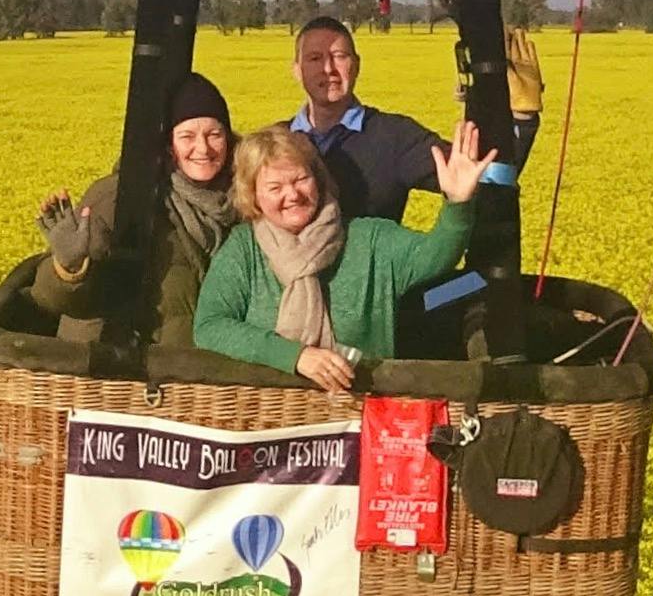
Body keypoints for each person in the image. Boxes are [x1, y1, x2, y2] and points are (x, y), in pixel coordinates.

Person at [194, 121, 497, 392]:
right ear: (253, 195)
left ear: (318, 179)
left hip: (358, 412)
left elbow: (436, 255)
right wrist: (295, 356)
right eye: (275, 187)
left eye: (301, 179)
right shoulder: (243, 248)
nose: (293, 194)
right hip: (268, 416)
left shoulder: (369, 239)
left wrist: (458, 203)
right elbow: (210, 326)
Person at [24, 72, 236, 346]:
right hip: (119, 367)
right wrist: (68, 268)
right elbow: (51, 300)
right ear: (168, 144)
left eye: (214, 134)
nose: (203, 148)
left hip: (199, 368)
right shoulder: (120, 197)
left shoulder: (247, 199)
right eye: (187, 136)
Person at [289, 14, 541, 222]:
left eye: (339, 56)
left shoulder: (395, 137)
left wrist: (523, 117)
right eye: (315, 58)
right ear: (297, 71)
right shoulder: (277, 142)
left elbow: (480, 175)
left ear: (356, 65)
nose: (328, 69)